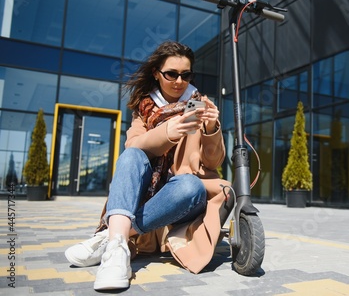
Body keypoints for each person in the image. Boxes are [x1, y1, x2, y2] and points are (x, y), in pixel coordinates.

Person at [64, 41, 230, 290]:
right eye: (171, 74)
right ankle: (117, 250)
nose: (179, 81)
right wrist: (168, 132)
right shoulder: (144, 109)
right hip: (148, 201)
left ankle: (112, 234)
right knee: (131, 155)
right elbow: (134, 145)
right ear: (157, 73)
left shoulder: (199, 104)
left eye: (186, 75)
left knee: (190, 186)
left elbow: (213, 163)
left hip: (185, 201)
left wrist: (210, 129)